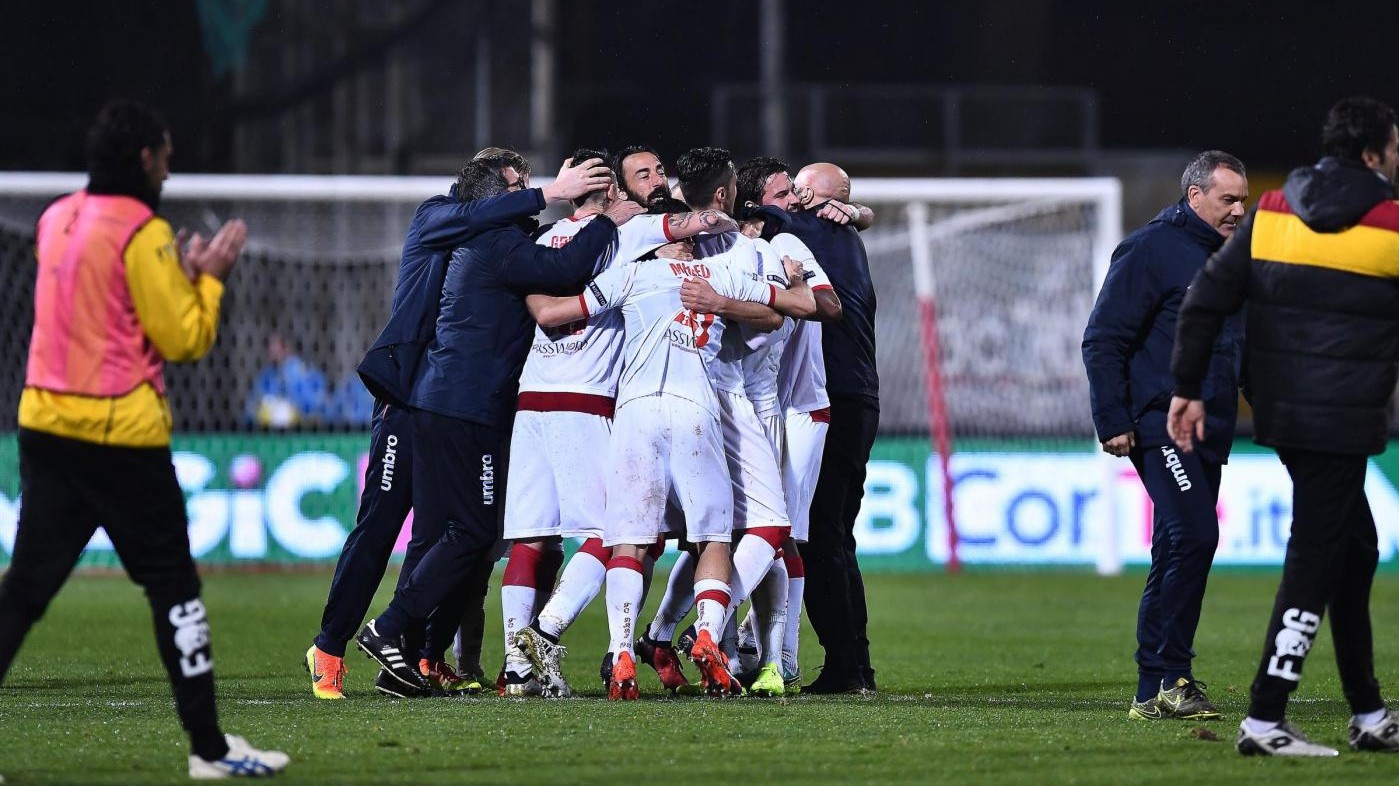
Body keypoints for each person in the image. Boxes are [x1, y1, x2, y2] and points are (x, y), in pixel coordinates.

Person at [0, 100, 289, 779]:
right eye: (164, 153)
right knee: (175, 590)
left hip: (44, 424)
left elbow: (105, 309)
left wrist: (176, 281)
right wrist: (207, 282)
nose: (169, 164)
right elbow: (184, 339)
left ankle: (213, 748)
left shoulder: (56, 217)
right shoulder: (141, 230)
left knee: (24, 592)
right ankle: (209, 750)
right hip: (120, 437)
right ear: (143, 159)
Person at [305, 148, 612, 700]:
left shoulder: (499, 237)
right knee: (383, 525)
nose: (528, 193)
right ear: (489, 187)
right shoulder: (439, 215)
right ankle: (330, 646)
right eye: (517, 184)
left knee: (448, 533)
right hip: (408, 396)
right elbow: (486, 224)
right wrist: (555, 196)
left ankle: (417, 654)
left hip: (451, 396)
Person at [1168, 96, 1399, 757]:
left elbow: (1205, 299)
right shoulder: (1388, 226)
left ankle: (1368, 712)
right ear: (1370, 154)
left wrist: (1185, 389)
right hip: (1343, 419)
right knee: (1315, 561)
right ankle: (1265, 717)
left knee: (1353, 552)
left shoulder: (1271, 213)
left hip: (1281, 413)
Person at [501, 147, 740, 698]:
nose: (656, 182)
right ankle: (547, 632)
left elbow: (545, 313)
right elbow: (702, 221)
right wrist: (724, 214)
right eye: (643, 175)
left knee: (533, 539)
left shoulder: (542, 241)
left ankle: (518, 667)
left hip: (532, 396)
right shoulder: (628, 239)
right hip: (589, 401)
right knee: (620, 536)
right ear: (612, 190)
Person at [1082, 150, 1249, 721]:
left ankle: (1153, 690)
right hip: (1159, 423)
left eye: (1243, 199)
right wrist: (1114, 421)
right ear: (1194, 195)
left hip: (1212, 425)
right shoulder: (1151, 249)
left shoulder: (1232, 254)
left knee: (1178, 546)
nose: (1238, 209)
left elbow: (1237, 344)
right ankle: (1171, 678)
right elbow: (1103, 338)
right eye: (1228, 199)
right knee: (1197, 536)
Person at [756, 162, 878, 693]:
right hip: (855, 397)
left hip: (836, 400)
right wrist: (857, 211)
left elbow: (747, 215)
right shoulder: (841, 230)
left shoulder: (810, 230)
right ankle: (851, 665)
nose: (795, 197)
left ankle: (846, 665)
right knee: (832, 537)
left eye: (801, 189)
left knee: (819, 536)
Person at [244, 332, 328, 429]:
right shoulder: (266, 376)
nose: (270, 350)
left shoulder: (309, 374)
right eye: (269, 346)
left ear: (287, 348)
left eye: (274, 347)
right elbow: (251, 406)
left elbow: (317, 406)